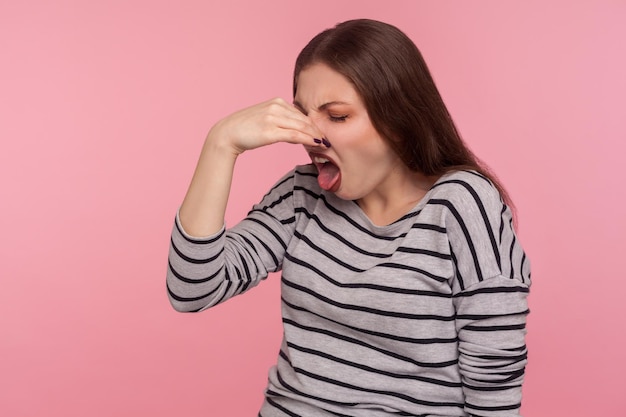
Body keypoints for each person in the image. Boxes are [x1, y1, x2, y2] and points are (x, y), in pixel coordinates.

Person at [166, 19, 531, 417]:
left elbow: (494, 388)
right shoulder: (302, 193)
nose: (310, 136)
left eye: (336, 116)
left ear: (398, 120)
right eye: (304, 114)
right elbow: (192, 289)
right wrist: (221, 144)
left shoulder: (462, 204)